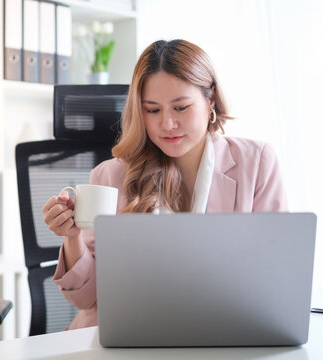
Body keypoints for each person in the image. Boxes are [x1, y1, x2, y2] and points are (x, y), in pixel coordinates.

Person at [42, 39, 288, 330]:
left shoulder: (256, 162)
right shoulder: (110, 177)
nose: (167, 124)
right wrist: (72, 237)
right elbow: (87, 299)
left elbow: (277, 275)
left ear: (211, 101)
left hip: (222, 326)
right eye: (153, 110)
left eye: (181, 107)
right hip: (129, 333)